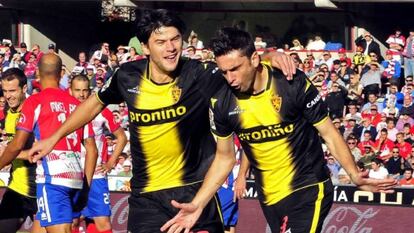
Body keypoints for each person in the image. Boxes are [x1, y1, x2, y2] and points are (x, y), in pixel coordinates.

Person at [27, 9, 296, 233]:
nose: (170, 48)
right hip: (147, 199)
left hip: (195, 191)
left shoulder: (199, 73)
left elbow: (241, 64)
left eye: (175, 39)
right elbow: (93, 104)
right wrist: (54, 137)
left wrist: (273, 57)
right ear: (144, 47)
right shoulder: (127, 76)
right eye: (161, 42)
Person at [169, 27, 395, 233]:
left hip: (308, 185)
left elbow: (329, 132)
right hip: (270, 196)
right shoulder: (221, 100)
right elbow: (224, 158)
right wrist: (198, 204)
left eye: (236, 69)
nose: (231, 79)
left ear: (254, 59)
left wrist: (355, 174)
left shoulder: (291, 82)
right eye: (224, 72)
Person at [20, 54, 98, 233]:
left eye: (85, 90)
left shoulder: (36, 101)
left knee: (66, 228)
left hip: (52, 178)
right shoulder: (79, 108)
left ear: (38, 73)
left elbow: (18, 145)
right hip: (77, 176)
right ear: (61, 74)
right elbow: (92, 150)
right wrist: (85, 188)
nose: (82, 94)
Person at [69, 75, 127, 233]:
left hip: (96, 177)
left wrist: (110, 163)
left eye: (85, 90)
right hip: (72, 175)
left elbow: (122, 138)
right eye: (77, 90)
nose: (81, 94)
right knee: (72, 222)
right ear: (70, 90)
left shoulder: (102, 111)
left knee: (103, 224)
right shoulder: (65, 111)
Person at [0, 68, 37, 233]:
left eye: (12, 91)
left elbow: (40, 152)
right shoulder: (8, 114)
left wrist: (6, 154)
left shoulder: (37, 110)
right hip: (16, 188)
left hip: (41, 189)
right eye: (5, 91)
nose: (8, 96)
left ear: (24, 88)